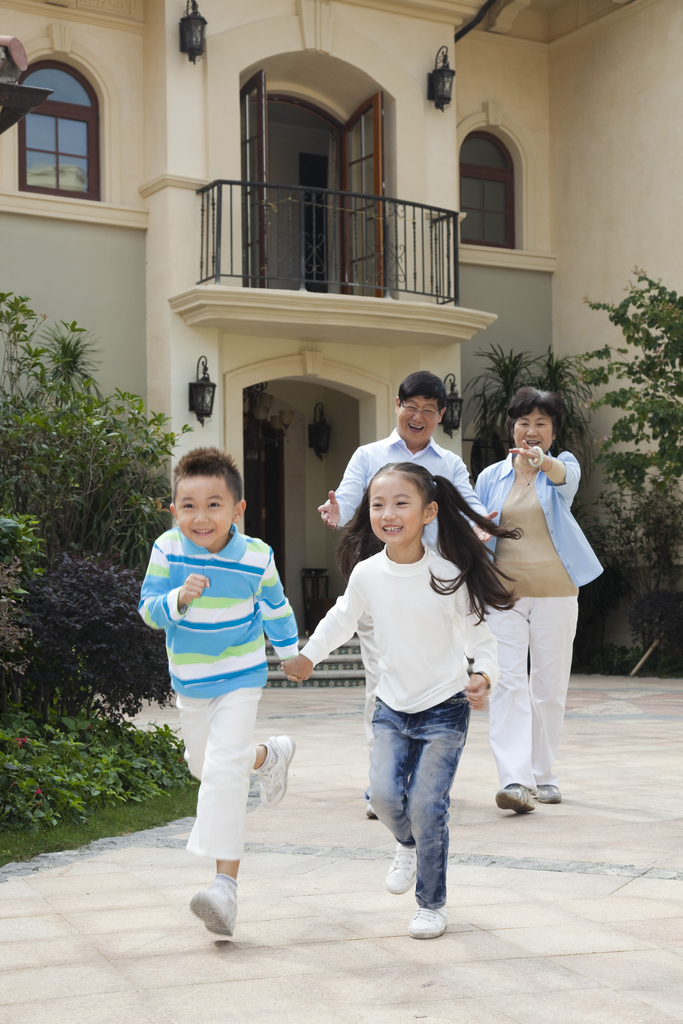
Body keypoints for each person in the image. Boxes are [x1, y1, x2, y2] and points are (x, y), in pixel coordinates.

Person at [284, 462, 519, 939]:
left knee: (429, 805)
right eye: (377, 504)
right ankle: (407, 844)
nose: (387, 513)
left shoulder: (447, 573)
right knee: (388, 799)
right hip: (391, 707)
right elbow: (340, 619)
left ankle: (431, 903)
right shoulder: (368, 574)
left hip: (445, 708)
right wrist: (308, 656)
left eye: (400, 503)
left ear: (429, 511)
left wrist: (483, 675)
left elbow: (484, 639)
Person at [318, 370, 495, 817]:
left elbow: (469, 509)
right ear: (397, 405)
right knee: (381, 679)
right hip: (385, 585)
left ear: (441, 415)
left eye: (428, 411)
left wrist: (480, 527)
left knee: (441, 675)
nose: (418, 417)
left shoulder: (450, 463)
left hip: (438, 589)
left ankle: (423, 773)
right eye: (410, 407)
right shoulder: (369, 455)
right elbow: (349, 503)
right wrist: (336, 510)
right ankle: (385, 779)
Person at [139, 447, 299, 937]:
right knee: (203, 765)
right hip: (190, 681)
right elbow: (148, 609)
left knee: (222, 776)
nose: (200, 516)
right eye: (188, 505)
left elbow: (276, 606)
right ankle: (267, 756)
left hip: (241, 675)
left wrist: (291, 651)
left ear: (238, 510)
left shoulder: (257, 557)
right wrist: (177, 599)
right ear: (173, 511)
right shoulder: (168, 549)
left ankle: (223, 888)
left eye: (214, 504)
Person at [475, 388, 603, 814]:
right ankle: (514, 778)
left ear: (553, 432)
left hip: (557, 592)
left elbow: (565, 481)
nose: (531, 431)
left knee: (548, 687)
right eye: (523, 422)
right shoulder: (490, 476)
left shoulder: (562, 466)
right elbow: (477, 525)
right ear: (511, 426)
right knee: (507, 683)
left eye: (541, 423)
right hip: (502, 594)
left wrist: (541, 462)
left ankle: (543, 774)